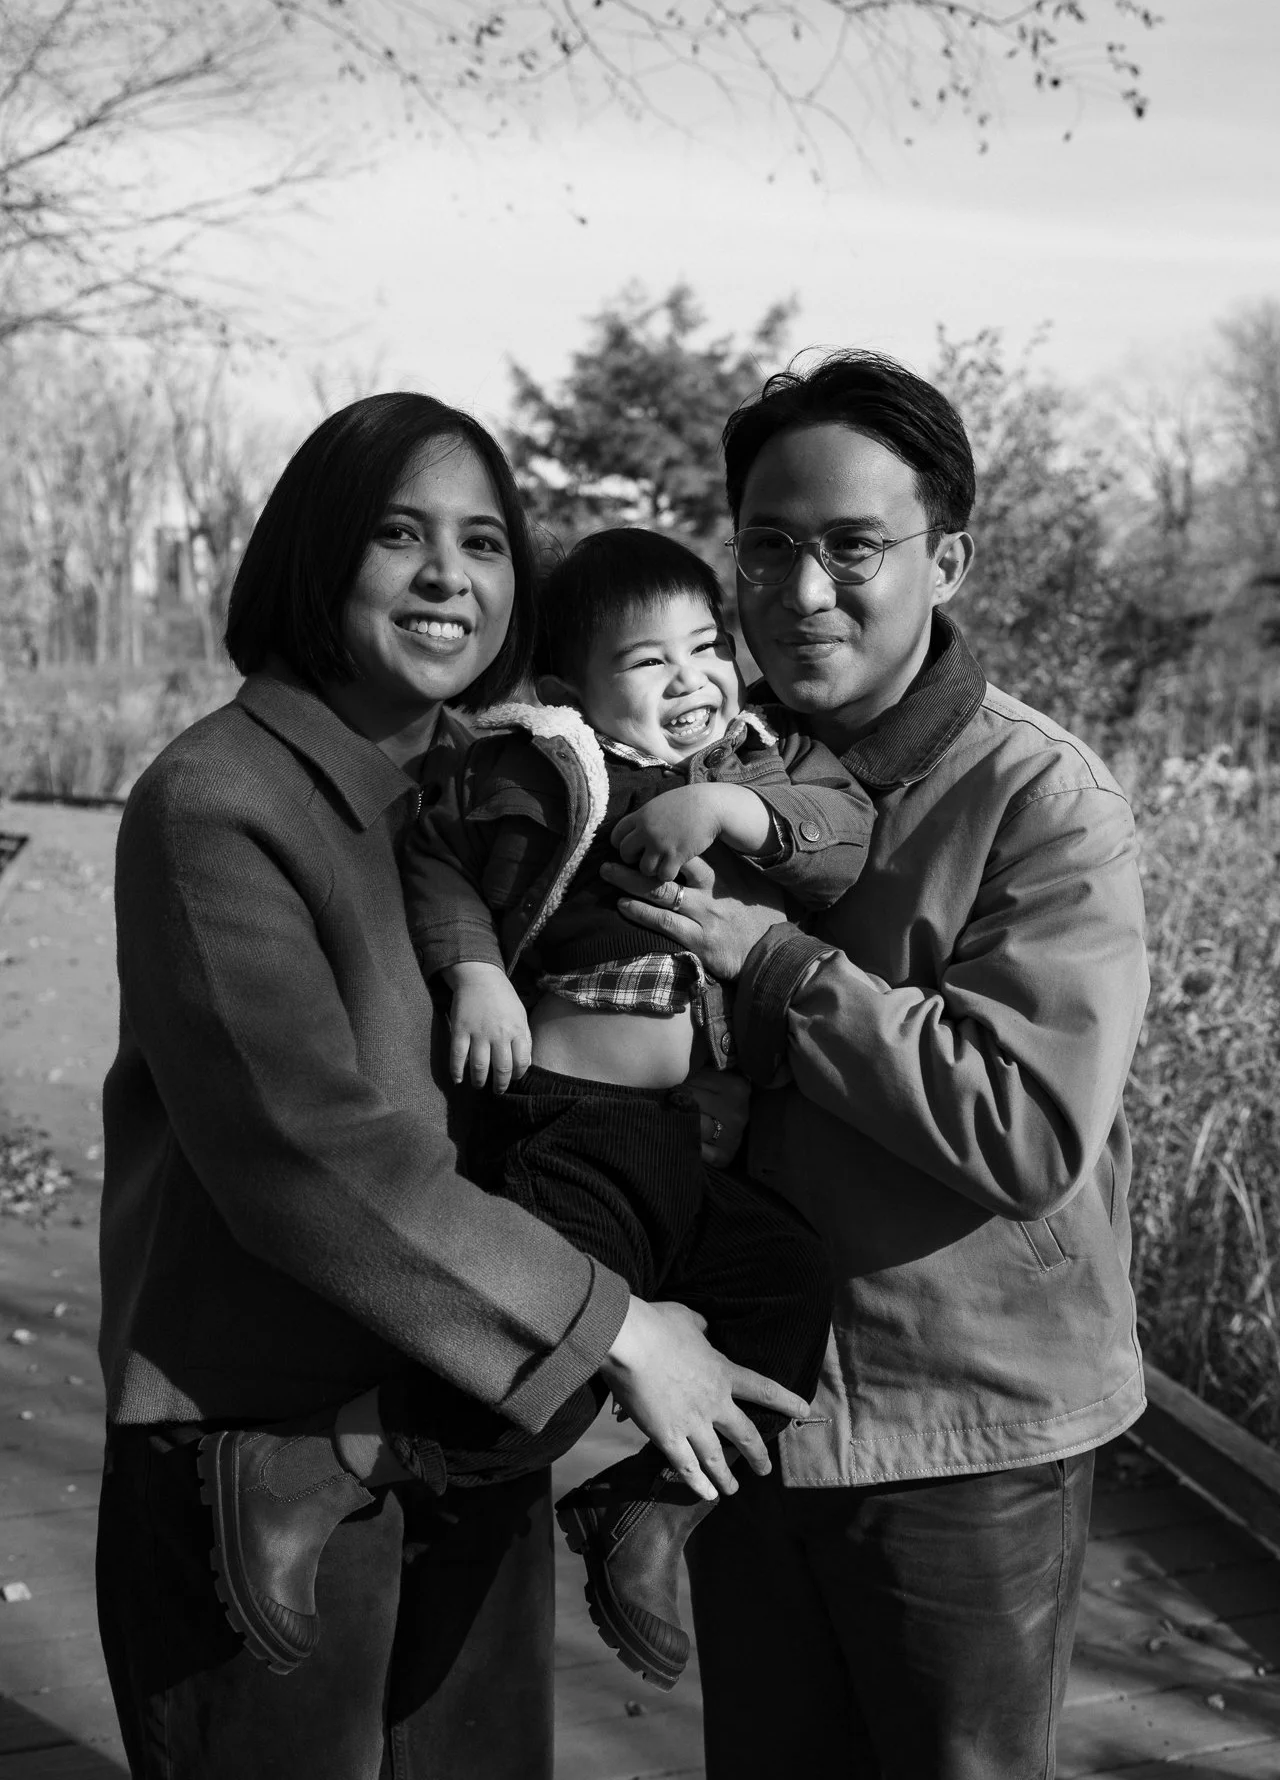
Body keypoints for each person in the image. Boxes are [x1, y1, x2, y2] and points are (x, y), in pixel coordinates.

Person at [95, 394, 809, 1780]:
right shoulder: (219, 803)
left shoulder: (507, 788)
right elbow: (307, 1153)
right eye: (398, 536)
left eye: (484, 542)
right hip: (271, 1447)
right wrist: (622, 1331)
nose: (450, 576)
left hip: (482, 1423)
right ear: (315, 557)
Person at [201, 526, 869, 1694]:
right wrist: (473, 972)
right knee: (538, 1355)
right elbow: (436, 860)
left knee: (787, 1281)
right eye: (648, 662)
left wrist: (731, 815)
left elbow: (841, 831)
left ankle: (650, 1512)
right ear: (576, 691)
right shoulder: (551, 769)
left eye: (707, 649)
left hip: (678, 1139)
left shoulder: (752, 767)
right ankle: (310, 1466)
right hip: (569, 1121)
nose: (692, 680)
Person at [603, 353, 1150, 1780]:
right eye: (769, 547)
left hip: (966, 1432)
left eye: (855, 548)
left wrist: (778, 969)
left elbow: (1027, 1126)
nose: (802, 591)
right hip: (751, 1407)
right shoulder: (708, 765)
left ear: (947, 560)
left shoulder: (1040, 796)